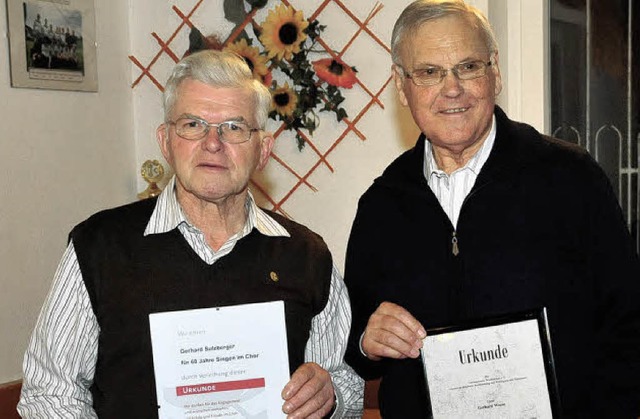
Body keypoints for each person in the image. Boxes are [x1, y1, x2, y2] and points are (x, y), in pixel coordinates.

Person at [18, 50, 363, 418]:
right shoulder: (98, 246)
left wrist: (333, 395)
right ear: (166, 141)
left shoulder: (306, 255)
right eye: (193, 124)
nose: (212, 143)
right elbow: (49, 394)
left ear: (263, 151)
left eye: (234, 127)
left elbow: (348, 384)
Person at [343, 1, 640, 418]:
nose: (452, 89)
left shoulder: (570, 179)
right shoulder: (383, 204)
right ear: (401, 85)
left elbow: (628, 324)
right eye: (429, 72)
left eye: (468, 67)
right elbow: (353, 339)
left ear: (494, 72)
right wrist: (364, 340)